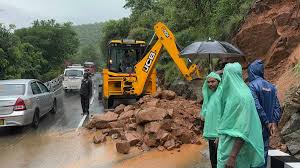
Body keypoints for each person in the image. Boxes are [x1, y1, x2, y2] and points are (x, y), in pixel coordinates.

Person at [217, 62, 265, 168]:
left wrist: (232, 157)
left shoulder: (242, 98)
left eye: (225, 75)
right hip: (226, 149)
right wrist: (219, 136)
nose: (223, 78)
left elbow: (244, 130)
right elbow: (227, 121)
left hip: (235, 154)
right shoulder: (234, 94)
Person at [248, 59, 282, 168]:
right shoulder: (271, 87)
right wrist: (273, 122)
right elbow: (277, 107)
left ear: (251, 71)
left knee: (253, 157)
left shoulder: (251, 86)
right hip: (267, 129)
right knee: (263, 155)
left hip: (255, 128)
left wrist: (266, 122)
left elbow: (256, 106)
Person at [201, 72, 222, 168]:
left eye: (213, 81)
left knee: (219, 161)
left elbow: (222, 115)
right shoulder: (211, 96)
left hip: (219, 135)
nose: (210, 84)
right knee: (213, 160)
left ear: (218, 81)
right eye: (208, 82)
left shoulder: (221, 94)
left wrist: (219, 134)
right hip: (211, 135)